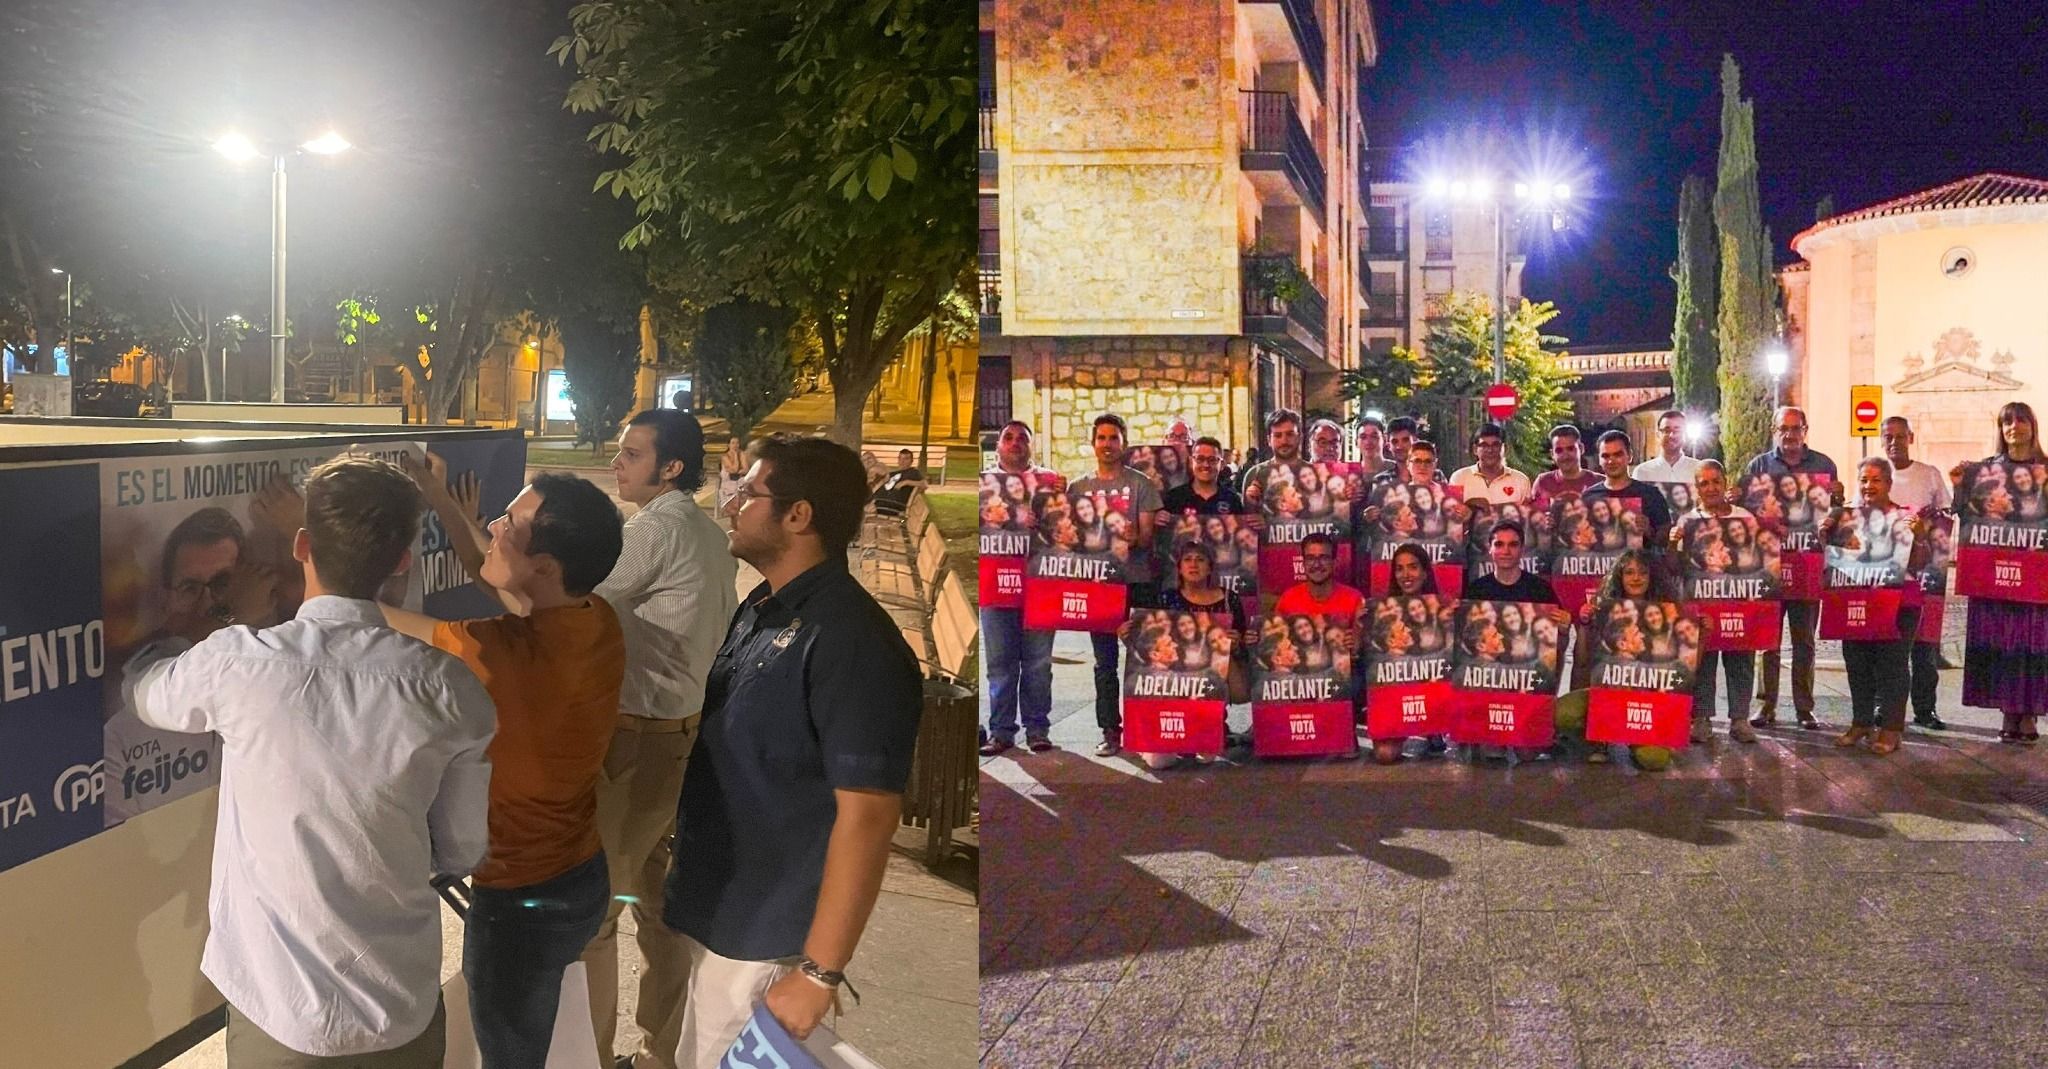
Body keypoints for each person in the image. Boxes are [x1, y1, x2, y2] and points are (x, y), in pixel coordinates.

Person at [126, 455, 495, 1067]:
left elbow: (145, 691)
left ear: (301, 544)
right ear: (402, 560)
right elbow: (459, 850)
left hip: (282, 1018)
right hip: (401, 1010)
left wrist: (228, 622)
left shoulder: (239, 665)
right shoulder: (451, 688)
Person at [668, 434, 922, 1065]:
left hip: (769, 939)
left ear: (798, 514)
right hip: (722, 907)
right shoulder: (764, 605)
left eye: (747, 493)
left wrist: (820, 972)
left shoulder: (851, 641)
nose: (731, 506)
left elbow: (868, 815)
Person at [380, 460, 626, 1069]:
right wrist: (441, 499)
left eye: (508, 525)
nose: (492, 525)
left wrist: (306, 561)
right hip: (580, 874)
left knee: (511, 1054)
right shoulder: (593, 619)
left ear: (545, 565)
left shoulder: (503, 653)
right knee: (543, 1035)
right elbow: (500, 582)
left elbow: (373, 621)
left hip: (520, 905)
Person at [582, 409, 741, 1069]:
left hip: (637, 741)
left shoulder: (654, 529)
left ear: (670, 468)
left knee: (593, 917)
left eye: (632, 454)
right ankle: (660, 1052)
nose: (618, 464)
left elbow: (573, 595)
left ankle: (586, 1054)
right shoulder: (703, 529)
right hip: (680, 736)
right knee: (657, 906)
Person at [1828, 458, 1932, 755]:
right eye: (1863, 480)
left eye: (1875, 480)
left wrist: (1921, 538)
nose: (1868, 486)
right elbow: (1837, 559)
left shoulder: (1906, 517)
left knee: (1892, 665)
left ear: (1888, 484)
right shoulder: (1848, 519)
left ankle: (1891, 729)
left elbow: (1920, 563)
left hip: (1899, 602)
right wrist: (1829, 534)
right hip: (1857, 598)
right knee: (1856, 662)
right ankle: (1861, 722)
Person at [1744, 406, 1840, 731]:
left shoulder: (1824, 465)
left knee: (1805, 642)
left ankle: (1804, 708)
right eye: (1783, 429)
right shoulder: (1759, 465)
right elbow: (1746, 515)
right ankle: (1765, 706)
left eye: (1795, 428)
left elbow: (1835, 515)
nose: (1790, 435)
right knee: (1766, 640)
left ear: (1805, 430)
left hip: (1807, 564)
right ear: (1775, 430)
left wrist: (1836, 503)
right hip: (1769, 566)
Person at [1958, 401, 2048, 745]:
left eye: (2021, 421)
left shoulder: (2047, 470)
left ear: (2032, 426)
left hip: (2036, 575)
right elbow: (1965, 515)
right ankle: (2009, 712)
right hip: (1994, 575)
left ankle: (2030, 714)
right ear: (2001, 429)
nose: (2014, 427)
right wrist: (1959, 484)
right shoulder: (1985, 471)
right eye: (2007, 422)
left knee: (2032, 643)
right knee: (2003, 642)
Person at [1074, 413, 1164, 757]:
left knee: (1145, 659)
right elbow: (1070, 538)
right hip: (1099, 586)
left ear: (1123, 443)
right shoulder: (1078, 488)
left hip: (1137, 582)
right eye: (1102, 438)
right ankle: (1111, 730)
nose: (1108, 444)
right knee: (1104, 662)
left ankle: (1146, 730)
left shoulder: (1140, 484)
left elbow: (1146, 539)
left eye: (1114, 438)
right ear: (1093, 443)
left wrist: (1135, 537)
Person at [1864, 416, 1954, 730]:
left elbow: (1945, 517)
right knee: (1884, 644)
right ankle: (1882, 707)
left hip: (1925, 571)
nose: (1894, 442)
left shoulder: (1929, 475)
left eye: (1900, 436)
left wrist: (1924, 530)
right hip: (1884, 576)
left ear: (1910, 438)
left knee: (1925, 645)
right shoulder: (1872, 473)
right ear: (1881, 439)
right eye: (1888, 436)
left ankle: (1925, 709)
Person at [981, 421, 1062, 757]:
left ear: (1032, 445)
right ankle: (1001, 731)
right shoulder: (981, 485)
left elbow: (1068, 530)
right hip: (995, 585)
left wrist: (1047, 516)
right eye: (1008, 438)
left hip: (1040, 585)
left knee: (1038, 662)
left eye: (1022, 438)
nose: (1015, 443)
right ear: (998, 445)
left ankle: (1037, 728)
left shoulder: (1050, 482)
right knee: (1000, 664)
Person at [1667, 459, 1760, 744]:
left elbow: (1758, 559)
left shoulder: (1745, 518)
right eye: (1703, 483)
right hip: (1701, 603)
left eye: (1715, 481)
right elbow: (1673, 567)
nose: (1710, 488)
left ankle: (1740, 719)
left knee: (1741, 660)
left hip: (1738, 601)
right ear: (1696, 488)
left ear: (1725, 483)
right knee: (1703, 662)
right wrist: (1673, 542)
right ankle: (1702, 718)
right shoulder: (1687, 521)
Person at [1137, 542, 1253, 769]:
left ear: (1210, 568)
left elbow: (1243, 650)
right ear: (1179, 568)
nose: (1193, 564)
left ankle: (1213, 724)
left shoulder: (1229, 600)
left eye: (1200, 559)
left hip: (1213, 684)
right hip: (1172, 687)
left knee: (1207, 754)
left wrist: (1236, 644)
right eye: (1187, 559)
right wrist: (1127, 636)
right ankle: (1150, 738)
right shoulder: (1165, 600)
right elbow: (1144, 649)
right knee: (1159, 762)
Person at [1461, 519, 1568, 763]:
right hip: (1489, 683)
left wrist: (1563, 628)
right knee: (1492, 752)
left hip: (1527, 683)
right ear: (1490, 550)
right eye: (1499, 544)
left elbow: (1556, 648)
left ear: (1522, 549)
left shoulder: (1541, 590)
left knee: (1527, 755)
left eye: (1512, 545)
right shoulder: (1475, 591)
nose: (1506, 551)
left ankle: (1538, 718)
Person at [1577, 549, 1677, 761]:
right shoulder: (1603, 609)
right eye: (1629, 572)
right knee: (1565, 714)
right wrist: (1584, 624)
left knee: (1654, 760)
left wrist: (1703, 633)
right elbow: (1583, 660)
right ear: (1619, 577)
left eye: (1642, 572)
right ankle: (1600, 740)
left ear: (1652, 577)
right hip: (1607, 700)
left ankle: (1637, 740)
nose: (1636, 578)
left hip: (1645, 708)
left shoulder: (1668, 612)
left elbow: (1684, 671)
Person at [1378, 541, 1447, 763]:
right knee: (1385, 755)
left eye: (1413, 567)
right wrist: (1361, 626)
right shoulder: (1381, 611)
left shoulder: (1444, 610)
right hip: (1397, 696)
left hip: (1434, 693)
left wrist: (1456, 621)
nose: (1406, 574)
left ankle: (1435, 727)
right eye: (1399, 568)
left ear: (1425, 572)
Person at [1449, 422, 1532, 506]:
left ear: (1505, 448)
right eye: (1484, 445)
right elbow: (1453, 515)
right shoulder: (1459, 478)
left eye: (1495, 445)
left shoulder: (1521, 481)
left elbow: (1527, 517)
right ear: (1475, 449)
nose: (1490, 450)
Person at [1160, 435, 1246, 515]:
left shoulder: (1233, 500)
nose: (1206, 465)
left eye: (1212, 460)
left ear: (1222, 464)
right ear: (1191, 462)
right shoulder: (1173, 498)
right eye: (1200, 459)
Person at [1239, 408, 1304, 503]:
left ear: (1299, 437)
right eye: (1278, 435)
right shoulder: (1254, 475)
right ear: (1269, 440)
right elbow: (1248, 515)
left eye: (1290, 434)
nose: (1284, 441)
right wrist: (1251, 503)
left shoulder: (1314, 473)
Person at [1632, 409, 1702, 486]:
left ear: (1685, 434)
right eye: (1666, 430)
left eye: (1677, 430)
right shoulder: (1642, 472)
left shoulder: (1699, 470)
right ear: (1658, 435)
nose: (1671, 435)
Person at [1532, 424, 1602, 501]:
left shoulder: (1600, 482)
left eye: (1570, 449)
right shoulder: (1543, 482)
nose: (1565, 456)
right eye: (1559, 451)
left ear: (1581, 449)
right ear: (1552, 454)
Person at [869, 448, 925, 516]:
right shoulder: (894, 473)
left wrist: (906, 482)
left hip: (890, 506)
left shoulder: (913, 472)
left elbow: (924, 484)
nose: (902, 461)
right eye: (900, 458)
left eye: (906, 459)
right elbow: (881, 482)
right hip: (878, 501)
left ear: (911, 461)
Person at [717, 432, 749, 515]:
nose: (735, 445)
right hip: (728, 481)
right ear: (729, 445)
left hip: (740, 479)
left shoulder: (742, 454)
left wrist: (739, 470)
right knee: (735, 488)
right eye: (733, 443)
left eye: (737, 443)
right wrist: (735, 455)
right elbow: (734, 469)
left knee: (745, 485)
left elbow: (745, 469)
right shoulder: (724, 457)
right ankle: (733, 510)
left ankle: (742, 511)